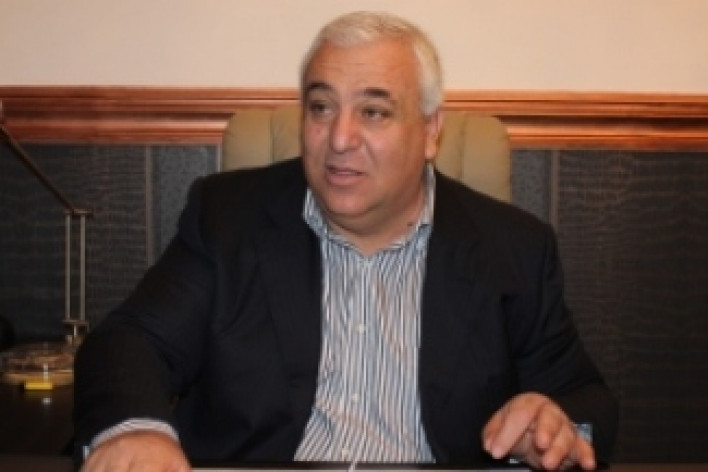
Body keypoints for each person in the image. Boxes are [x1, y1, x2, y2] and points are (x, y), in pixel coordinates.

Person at [74, 11, 618, 472]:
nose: (339, 137)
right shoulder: (227, 219)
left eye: (373, 111)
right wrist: (136, 428)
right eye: (321, 107)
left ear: (431, 131)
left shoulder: (514, 247)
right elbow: (131, 342)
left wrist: (557, 425)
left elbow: (583, 396)